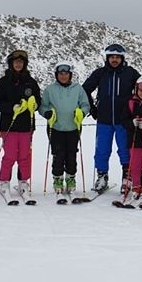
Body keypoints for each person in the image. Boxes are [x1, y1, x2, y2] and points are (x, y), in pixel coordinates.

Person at [82, 43, 140, 192]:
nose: (114, 60)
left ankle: (127, 177)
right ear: (107, 58)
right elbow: (84, 90)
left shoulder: (130, 73)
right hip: (104, 119)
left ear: (122, 58)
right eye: (112, 57)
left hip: (124, 120)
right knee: (102, 150)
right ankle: (102, 176)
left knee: (125, 150)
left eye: (117, 57)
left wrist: (137, 109)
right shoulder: (100, 73)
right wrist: (92, 108)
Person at [0, 50, 42, 199]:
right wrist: (11, 107)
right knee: (10, 155)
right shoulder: (3, 81)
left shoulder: (31, 82)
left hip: (27, 126)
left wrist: (35, 105)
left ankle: (23, 183)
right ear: (11, 64)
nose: (18, 64)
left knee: (25, 156)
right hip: (9, 126)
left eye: (21, 62)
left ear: (24, 64)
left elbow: (38, 100)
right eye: (16, 62)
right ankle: (4, 182)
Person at [39, 62, 90, 197]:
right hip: (56, 127)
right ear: (56, 75)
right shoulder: (50, 89)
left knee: (71, 155)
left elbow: (85, 104)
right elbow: (42, 106)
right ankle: (58, 179)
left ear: (70, 75)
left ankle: (71, 178)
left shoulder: (77, 88)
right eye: (60, 74)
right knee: (58, 154)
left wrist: (82, 113)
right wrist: (47, 113)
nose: (63, 76)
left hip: (73, 127)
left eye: (66, 74)